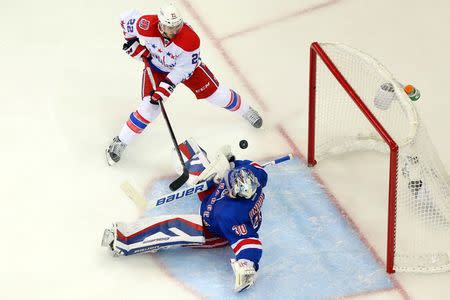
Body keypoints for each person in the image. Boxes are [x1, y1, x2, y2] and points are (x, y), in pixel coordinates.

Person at [105, 3, 263, 166]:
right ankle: (121, 141)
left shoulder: (190, 40)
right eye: (170, 27)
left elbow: (183, 70)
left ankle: (247, 111)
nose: (175, 30)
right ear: (161, 23)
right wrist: (132, 44)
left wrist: (165, 88)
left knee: (218, 95)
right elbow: (126, 18)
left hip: (187, 69)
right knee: (148, 109)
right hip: (156, 67)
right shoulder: (146, 24)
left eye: (178, 25)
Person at [101, 144, 268, 292]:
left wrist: (247, 265)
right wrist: (231, 162)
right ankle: (184, 150)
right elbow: (255, 167)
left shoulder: (233, 216)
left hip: (214, 230)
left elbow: (248, 240)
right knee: (202, 167)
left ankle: (124, 239)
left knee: (175, 226)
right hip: (215, 202)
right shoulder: (254, 175)